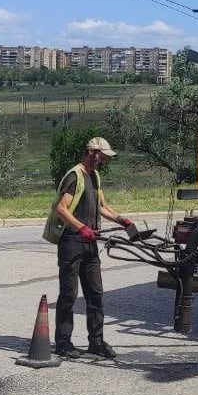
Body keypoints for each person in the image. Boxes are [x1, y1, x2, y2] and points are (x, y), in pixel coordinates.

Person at [47, 136, 138, 359]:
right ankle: (63, 343)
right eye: (102, 156)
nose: (104, 160)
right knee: (69, 294)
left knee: (95, 294)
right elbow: (61, 208)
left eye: (106, 157)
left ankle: (96, 342)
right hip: (72, 242)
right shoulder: (74, 176)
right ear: (91, 152)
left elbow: (102, 206)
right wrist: (80, 228)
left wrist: (121, 220)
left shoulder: (95, 176)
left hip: (90, 243)